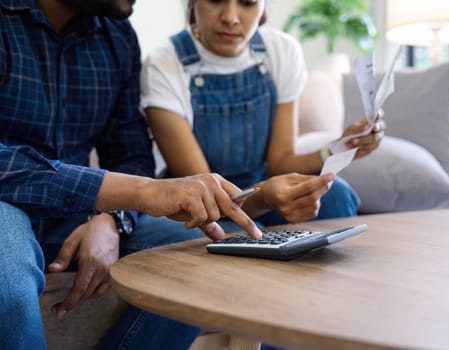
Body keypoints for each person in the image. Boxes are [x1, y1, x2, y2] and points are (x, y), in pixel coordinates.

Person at [0, 0, 332, 349]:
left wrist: (112, 216)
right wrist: (137, 193)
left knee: (225, 248)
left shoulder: (117, 37)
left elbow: (130, 154)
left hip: (75, 209)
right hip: (6, 204)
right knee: (6, 275)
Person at [141, 0, 384, 231]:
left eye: (248, 2)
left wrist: (341, 147)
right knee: (229, 231)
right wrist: (266, 197)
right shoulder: (163, 65)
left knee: (337, 196)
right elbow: (208, 200)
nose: (231, 18)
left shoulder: (281, 51)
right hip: (197, 205)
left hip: (264, 187)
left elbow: (281, 163)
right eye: (215, 1)